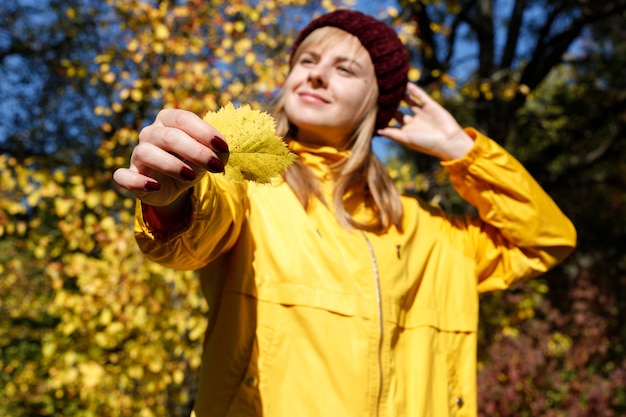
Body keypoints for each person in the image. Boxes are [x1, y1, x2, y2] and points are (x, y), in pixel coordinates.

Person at [113, 9, 576, 417]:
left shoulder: (434, 233)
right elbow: (188, 234)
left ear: (376, 105)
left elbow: (544, 240)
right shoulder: (245, 187)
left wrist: (462, 151)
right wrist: (172, 195)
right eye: (307, 61)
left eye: (345, 69)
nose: (315, 75)